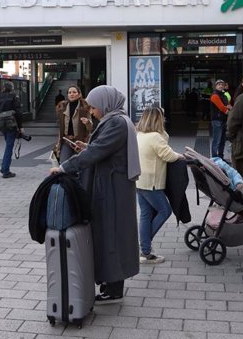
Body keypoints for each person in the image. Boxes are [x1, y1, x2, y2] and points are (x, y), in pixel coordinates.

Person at [50, 85, 140, 304]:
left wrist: (64, 167)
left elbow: (98, 152)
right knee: (111, 234)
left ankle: (114, 286)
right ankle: (111, 283)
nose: (91, 111)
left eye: (94, 106)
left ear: (105, 103)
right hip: (112, 186)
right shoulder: (116, 119)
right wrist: (87, 146)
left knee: (111, 235)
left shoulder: (116, 123)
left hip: (112, 189)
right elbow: (99, 148)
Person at [135, 107, 182, 264]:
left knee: (146, 214)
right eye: (162, 117)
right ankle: (145, 246)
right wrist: (181, 156)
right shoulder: (155, 137)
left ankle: (145, 251)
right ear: (158, 120)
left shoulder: (140, 135)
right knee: (165, 211)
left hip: (139, 181)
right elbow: (168, 155)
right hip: (152, 182)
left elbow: (164, 141)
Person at [0, 81, 24, 178]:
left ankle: (4, 167)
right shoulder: (14, 97)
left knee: (8, 145)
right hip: (11, 124)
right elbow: (18, 112)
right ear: (12, 88)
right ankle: (5, 170)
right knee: (9, 146)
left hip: (1, 125)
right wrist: (21, 127)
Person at [55, 85, 92, 163]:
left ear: (79, 94)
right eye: (69, 92)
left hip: (80, 142)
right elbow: (61, 130)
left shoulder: (84, 108)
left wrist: (87, 122)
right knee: (63, 163)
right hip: (66, 141)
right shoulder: (62, 108)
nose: (72, 94)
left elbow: (90, 128)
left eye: (74, 92)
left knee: (80, 165)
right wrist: (58, 145)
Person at [209, 79, 229, 159]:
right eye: (219, 84)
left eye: (222, 84)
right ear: (215, 86)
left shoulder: (224, 95)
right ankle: (214, 158)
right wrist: (230, 112)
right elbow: (222, 108)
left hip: (224, 120)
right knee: (216, 140)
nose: (221, 86)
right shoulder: (214, 95)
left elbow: (228, 105)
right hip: (217, 120)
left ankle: (221, 157)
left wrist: (228, 108)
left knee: (222, 140)